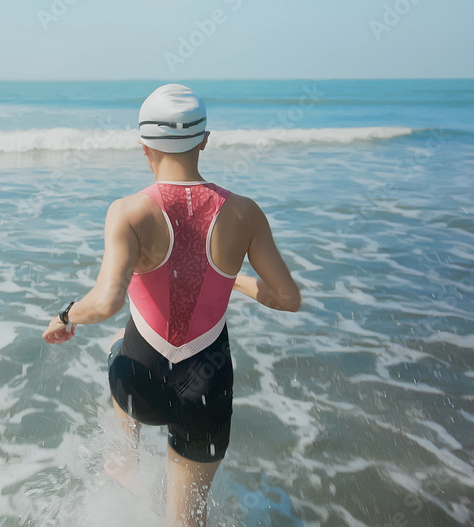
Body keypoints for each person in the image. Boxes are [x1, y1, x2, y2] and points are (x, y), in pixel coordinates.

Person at [41, 84, 301, 527]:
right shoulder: (245, 212)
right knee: (186, 522)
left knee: (115, 346)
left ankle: (125, 456)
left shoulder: (128, 212)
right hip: (207, 386)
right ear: (205, 139)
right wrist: (231, 281)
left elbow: (105, 302)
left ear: (144, 146)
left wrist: (65, 316)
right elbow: (286, 299)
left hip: (139, 384)